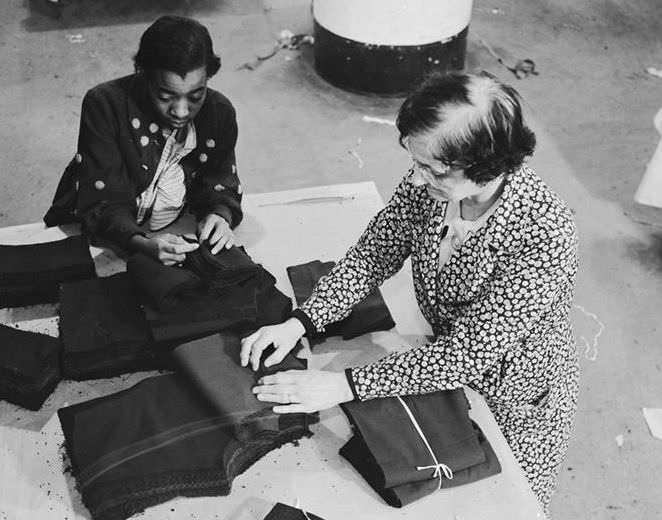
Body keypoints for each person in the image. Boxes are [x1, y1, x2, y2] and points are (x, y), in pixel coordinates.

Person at [240, 71, 579, 514]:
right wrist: (300, 321)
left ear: (489, 165)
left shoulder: (545, 234)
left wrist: (342, 385)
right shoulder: (435, 182)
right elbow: (374, 254)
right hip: (443, 361)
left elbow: (467, 355)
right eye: (416, 162)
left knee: (498, 502)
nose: (417, 181)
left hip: (511, 394)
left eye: (434, 170)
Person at [44, 15, 243, 265]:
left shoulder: (218, 111)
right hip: (102, 233)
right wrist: (143, 244)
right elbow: (104, 205)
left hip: (174, 225)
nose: (181, 111)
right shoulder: (105, 104)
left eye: (195, 95)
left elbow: (219, 181)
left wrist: (219, 214)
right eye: (165, 96)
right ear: (144, 75)